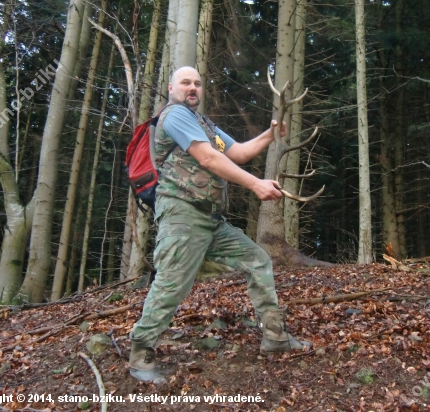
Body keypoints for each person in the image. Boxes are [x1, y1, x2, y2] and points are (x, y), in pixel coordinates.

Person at [129, 66, 312, 383]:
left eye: (198, 83)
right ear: (172, 87)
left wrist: (270, 134)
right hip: (182, 215)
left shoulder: (202, 123)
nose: (193, 88)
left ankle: (274, 336)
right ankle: (141, 353)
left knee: (258, 260)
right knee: (173, 284)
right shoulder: (174, 116)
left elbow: (238, 152)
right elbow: (209, 159)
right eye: (186, 82)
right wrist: (256, 185)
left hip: (211, 220)